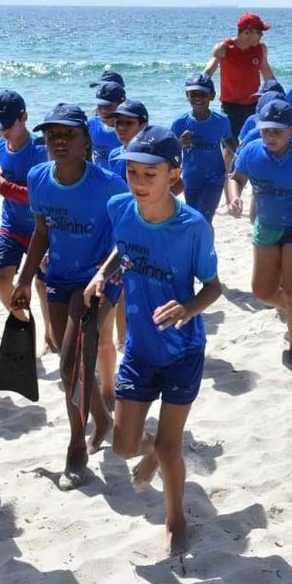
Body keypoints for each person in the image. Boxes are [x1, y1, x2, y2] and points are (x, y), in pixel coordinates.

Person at [86, 126, 222, 557]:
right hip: (140, 350)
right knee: (124, 446)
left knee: (170, 444)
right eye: (132, 174)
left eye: (150, 174)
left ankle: (176, 517)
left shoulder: (192, 226)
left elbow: (214, 287)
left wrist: (188, 308)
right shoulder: (118, 207)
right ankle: (155, 452)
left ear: (173, 175)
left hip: (182, 351)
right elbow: (123, 250)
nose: (139, 183)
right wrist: (103, 273)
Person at [12, 104, 128, 489]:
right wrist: (25, 279)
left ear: (86, 140)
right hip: (59, 278)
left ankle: (76, 449)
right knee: (73, 364)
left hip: (100, 281)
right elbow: (42, 233)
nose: (58, 142)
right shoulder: (38, 177)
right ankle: (104, 420)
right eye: (52, 135)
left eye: (68, 135)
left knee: (69, 366)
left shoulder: (109, 184)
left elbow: (126, 239)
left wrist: (100, 275)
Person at [225, 100, 292, 365]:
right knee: (262, 292)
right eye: (265, 130)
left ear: (291, 129)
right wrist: (234, 197)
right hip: (266, 225)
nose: (270, 136)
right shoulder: (252, 152)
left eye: (277, 131)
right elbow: (235, 178)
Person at [0, 90, 54, 352]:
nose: (3, 131)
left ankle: (50, 336)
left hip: (42, 230)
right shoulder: (0, 146)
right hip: (12, 225)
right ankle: (23, 325)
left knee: (42, 285)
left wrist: (3, 187)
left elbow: (42, 198)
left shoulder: (39, 150)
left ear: (24, 118)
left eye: (8, 125)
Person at [202, 12, 275, 142]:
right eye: (259, 32)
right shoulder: (223, 48)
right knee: (230, 148)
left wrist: (279, 96)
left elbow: (268, 76)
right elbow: (207, 73)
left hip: (254, 106)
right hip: (230, 107)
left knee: (254, 144)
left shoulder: (261, 49)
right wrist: (198, 89)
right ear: (247, 32)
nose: (262, 36)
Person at [171, 73, 233, 226]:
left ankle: (207, 250)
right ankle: (199, 249)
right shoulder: (180, 123)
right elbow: (169, 151)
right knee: (193, 219)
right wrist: (180, 143)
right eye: (193, 94)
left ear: (212, 96)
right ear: (187, 96)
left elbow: (231, 143)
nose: (198, 98)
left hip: (214, 179)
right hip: (191, 178)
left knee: (204, 218)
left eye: (202, 93)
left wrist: (242, 161)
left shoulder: (221, 121)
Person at [87, 81, 128, 170]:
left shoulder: (132, 130)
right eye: (100, 106)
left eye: (108, 106)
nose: (103, 111)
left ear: (121, 105)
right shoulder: (91, 125)